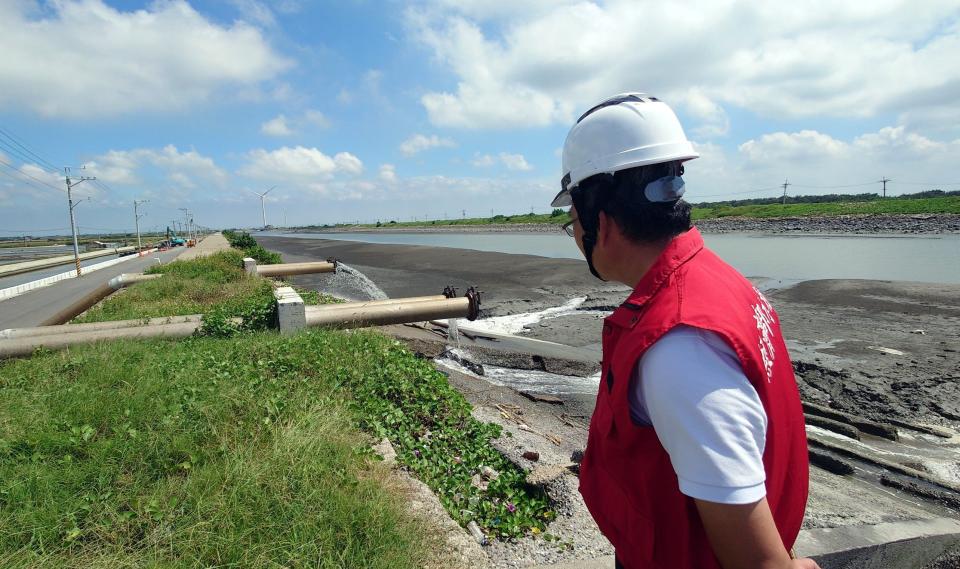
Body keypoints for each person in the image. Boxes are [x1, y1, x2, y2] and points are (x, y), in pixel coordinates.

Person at [551, 93, 818, 569]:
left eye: (573, 220)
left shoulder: (678, 348)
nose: (574, 235)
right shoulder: (717, 280)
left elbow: (758, 562)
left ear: (602, 223)